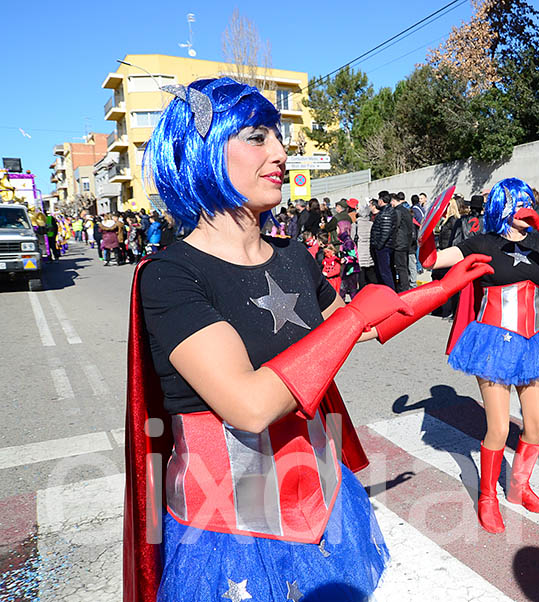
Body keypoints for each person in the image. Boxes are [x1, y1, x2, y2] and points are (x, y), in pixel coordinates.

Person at [123, 76, 446, 602]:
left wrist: (447, 287)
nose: (280, 151)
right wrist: (354, 315)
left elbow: (363, 326)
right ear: (200, 151)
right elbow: (249, 405)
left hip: (324, 498)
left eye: (278, 135)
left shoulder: (293, 254)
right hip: (231, 531)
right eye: (256, 136)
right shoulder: (170, 274)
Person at [420, 177, 539, 534]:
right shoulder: (482, 242)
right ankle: (488, 496)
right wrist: (428, 227)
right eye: (519, 202)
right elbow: (431, 259)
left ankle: (519, 486)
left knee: (537, 424)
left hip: (535, 342)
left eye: (529, 201)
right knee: (499, 426)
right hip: (492, 342)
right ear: (503, 205)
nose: (526, 208)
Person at [389, 192, 415, 292]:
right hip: (406, 242)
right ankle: (405, 285)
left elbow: (395, 226)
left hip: (399, 243)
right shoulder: (406, 210)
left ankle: (404, 288)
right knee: (404, 266)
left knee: (400, 267)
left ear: (394, 201)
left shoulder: (397, 211)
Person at [370, 191, 396, 289]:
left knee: (385, 272)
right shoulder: (387, 211)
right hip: (384, 246)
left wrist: (379, 245)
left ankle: (390, 292)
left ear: (381, 200)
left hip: (384, 247)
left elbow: (385, 231)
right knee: (384, 271)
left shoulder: (386, 213)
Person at [356, 201, 377, 287]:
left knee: (361, 273)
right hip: (369, 249)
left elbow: (353, 237)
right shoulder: (371, 224)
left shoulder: (356, 225)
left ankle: (362, 290)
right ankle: (374, 288)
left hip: (360, 249)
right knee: (371, 271)